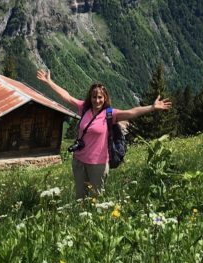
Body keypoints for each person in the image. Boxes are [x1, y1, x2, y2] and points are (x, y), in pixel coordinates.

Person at [36, 69, 171, 199]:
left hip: (98, 164)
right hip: (79, 161)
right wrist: (49, 82)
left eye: (100, 97)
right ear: (90, 97)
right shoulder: (84, 108)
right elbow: (67, 96)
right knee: (80, 197)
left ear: (105, 98)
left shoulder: (110, 114)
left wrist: (152, 108)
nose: (97, 100)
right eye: (94, 97)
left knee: (96, 197)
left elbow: (131, 112)